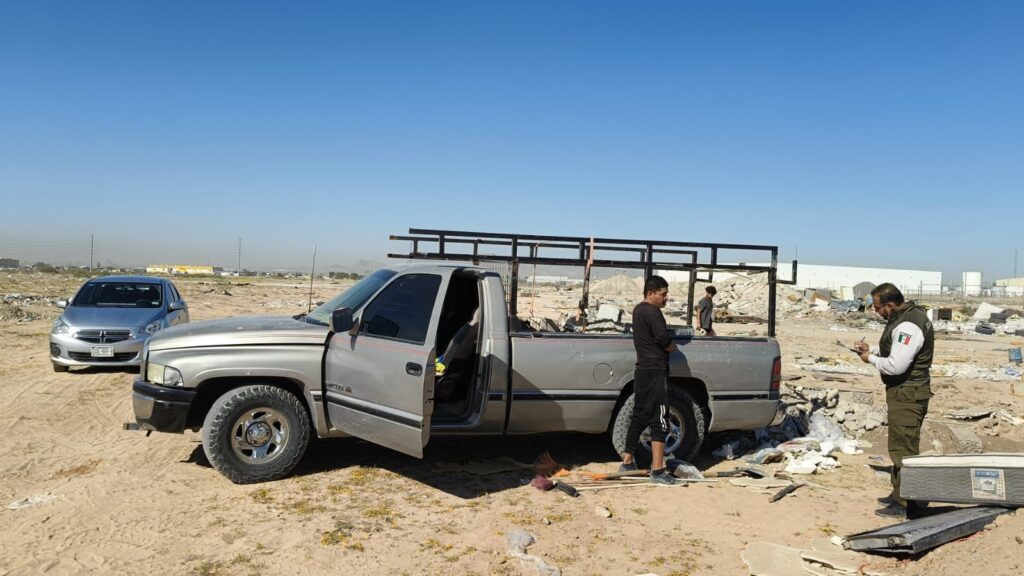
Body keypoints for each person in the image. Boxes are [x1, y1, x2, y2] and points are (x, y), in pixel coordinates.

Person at [854, 283, 934, 519]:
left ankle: (905, 504)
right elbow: (898, 349)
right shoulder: (907, 318)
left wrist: (870, 358)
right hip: (906, 392)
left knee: (903, 450)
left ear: (890, 304)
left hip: (908, 393)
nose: (877, 312)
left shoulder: (908, 325)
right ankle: (901, 494)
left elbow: (896, 365)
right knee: (901, 445)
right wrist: (873, 349)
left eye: (878, 308)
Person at [620, 275, 679, 485]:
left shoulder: (638, 310)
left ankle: (627, 462)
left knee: (640, 415)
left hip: (642, 370)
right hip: (655, 370)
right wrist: (673, 347)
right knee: (660, 419)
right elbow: (663, 338)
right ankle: (658, 471)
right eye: (663, 294)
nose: (666, 298)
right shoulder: (653, 312)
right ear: (651, 293)